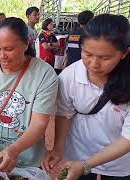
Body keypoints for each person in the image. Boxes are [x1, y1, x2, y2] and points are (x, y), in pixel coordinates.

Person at [0, 17, 58, 172]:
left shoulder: (45, 74)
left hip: (29, 160)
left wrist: (14, 149)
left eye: (8, 49)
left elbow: (39, 123)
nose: (2, 55)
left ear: (26, 44)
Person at [42, 14, 130, 180]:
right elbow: (63, 114)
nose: (94, 64)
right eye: (87, 54)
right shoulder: (70, 75)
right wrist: (58, 149)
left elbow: (127, 139)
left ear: (124, 53)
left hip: (118, 165)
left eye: (105, 58)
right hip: (75, 158)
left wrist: (85, 164)